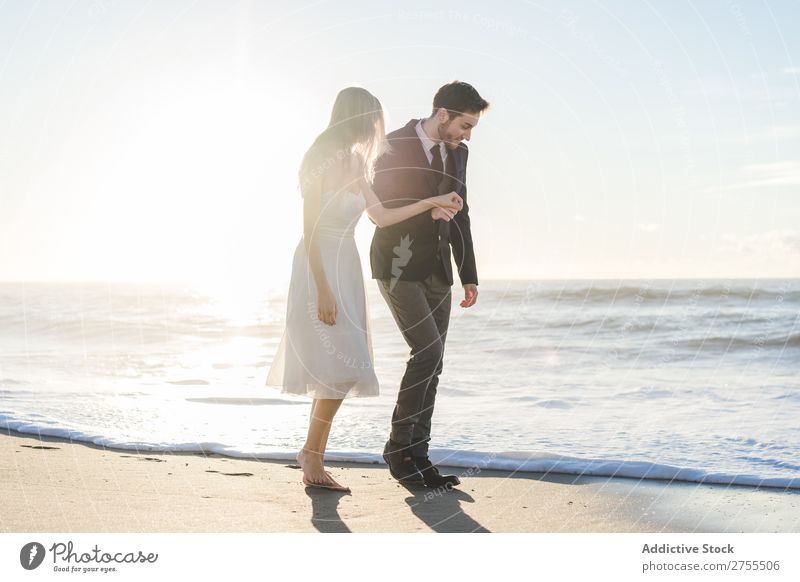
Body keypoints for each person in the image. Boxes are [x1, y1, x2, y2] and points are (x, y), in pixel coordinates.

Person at [266, 86, 463, 492]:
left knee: (339, 367)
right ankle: (311, 456)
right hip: (319, 264)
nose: (377, 128)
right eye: (373, 119)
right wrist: (322, 289)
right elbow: (311, 227)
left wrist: (431, 204)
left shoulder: (355, 161)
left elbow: (381, 215)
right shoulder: (321, 159)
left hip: (347, 265)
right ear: (356, 117)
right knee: (343, 365)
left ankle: (311, 454)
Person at [370, 81, 489, 488]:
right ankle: (398, 450)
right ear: (443, 115)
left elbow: (461, 211)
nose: (467, 135)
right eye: (465, 125)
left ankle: (419, 457)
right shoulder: (391, 144)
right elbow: (383, 207)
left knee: (434, 363)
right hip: (398, 263)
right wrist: (430, 212)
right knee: (427, 352)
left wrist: (467, 273)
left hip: (439, 269)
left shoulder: (460, 153)